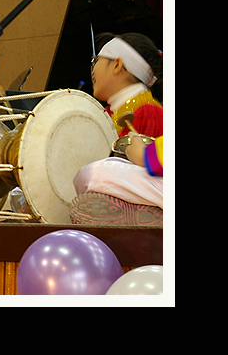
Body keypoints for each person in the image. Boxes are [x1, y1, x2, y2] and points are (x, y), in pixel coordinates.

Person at [70, 32, 164, 225]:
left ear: (117, 64)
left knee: (95, 173)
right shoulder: (106, 113)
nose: (93, 69)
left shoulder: (149, 111)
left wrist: (143, 155)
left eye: (97, 60)